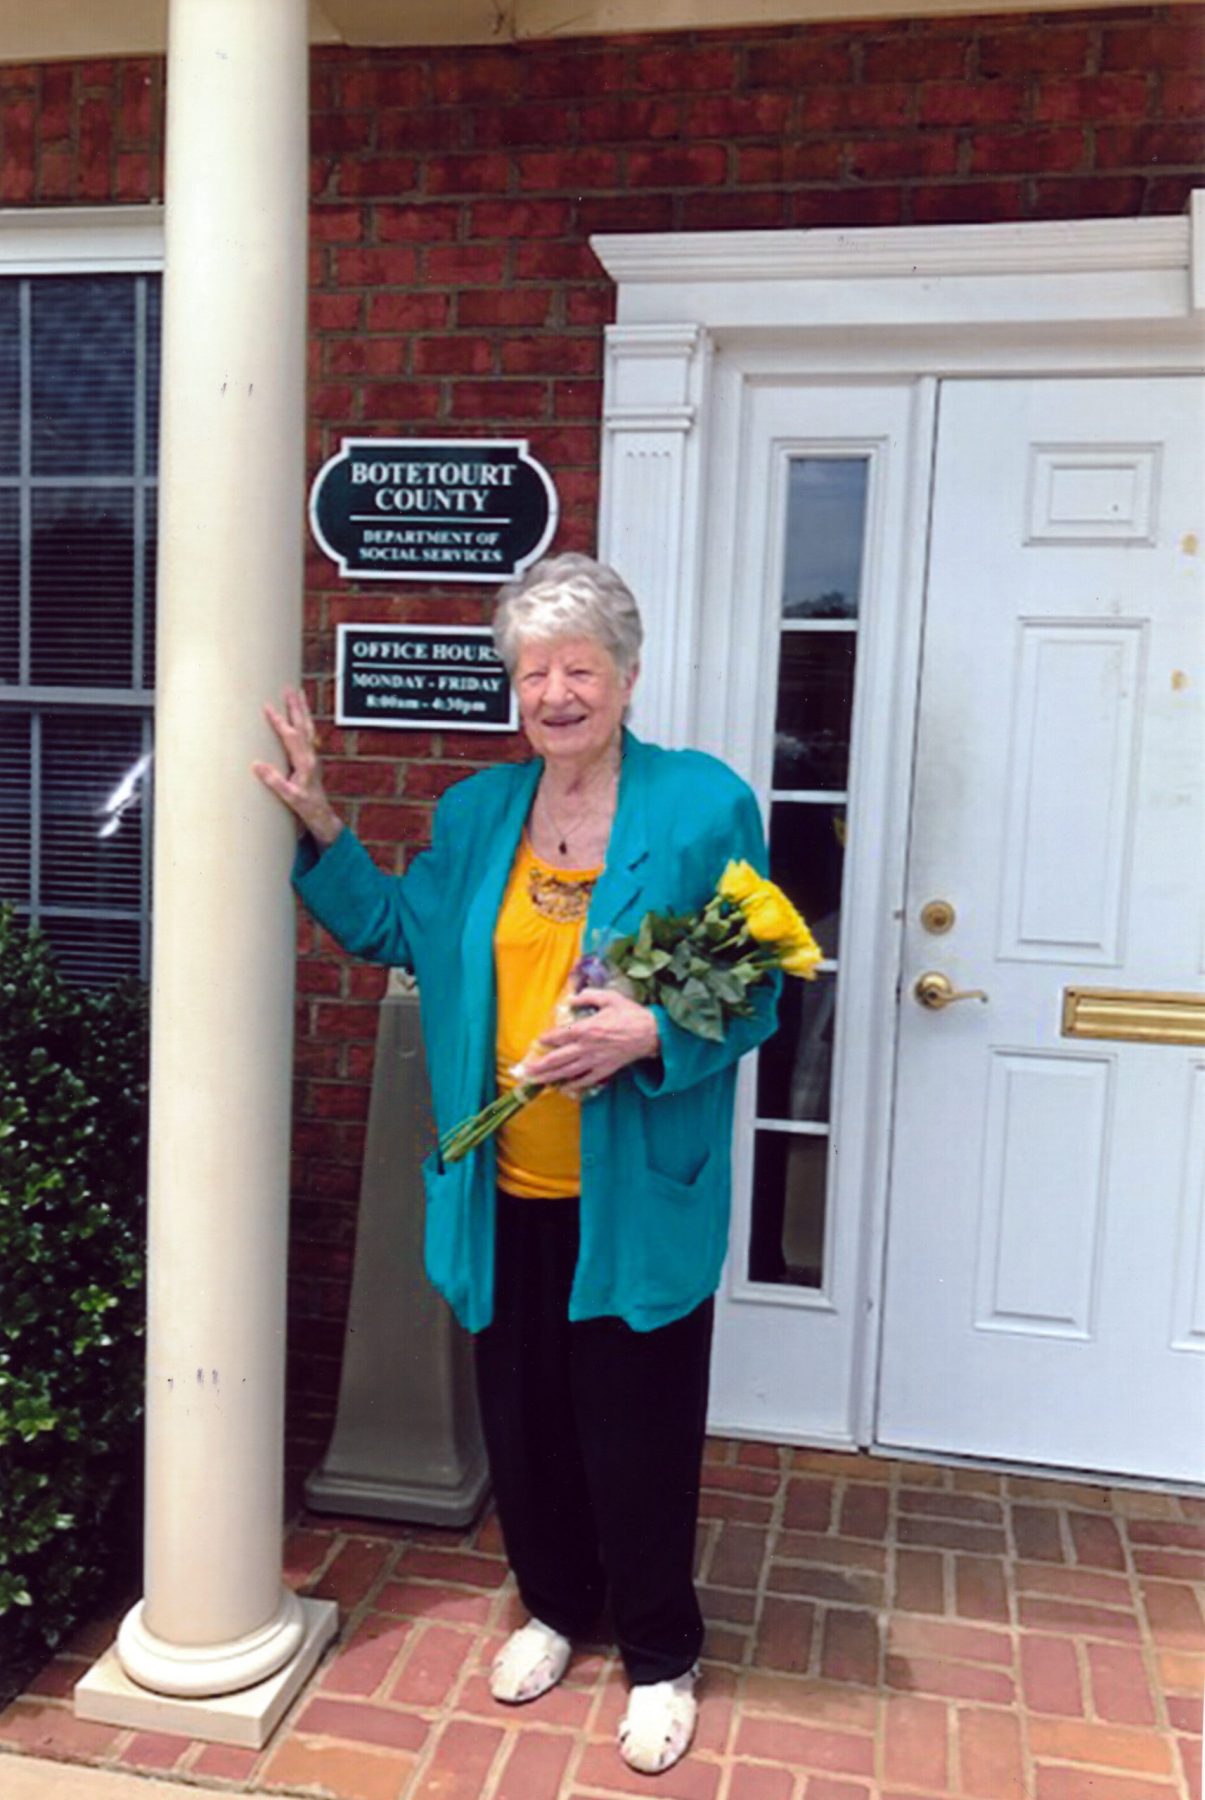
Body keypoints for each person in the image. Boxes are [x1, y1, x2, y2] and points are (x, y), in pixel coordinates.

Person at [255, 553, 780, 1775]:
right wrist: (321, 820)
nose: (554, 693)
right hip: (504, 1192)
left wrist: (655, 1029)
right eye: (533, 671)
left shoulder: (701, 805)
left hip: (635, 1194)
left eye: (579, 668)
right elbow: (397, 931)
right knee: (527, 1425)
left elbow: (759, 979)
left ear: (627, 677)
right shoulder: (475, 813)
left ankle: (658, 1651)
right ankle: (553, 1605)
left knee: (635, 1433)